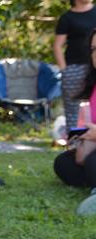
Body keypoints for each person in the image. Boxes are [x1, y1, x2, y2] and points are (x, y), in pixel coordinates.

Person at [54, 27, 96, 216]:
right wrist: (77, 136)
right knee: (63, 163)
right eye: (94, 49)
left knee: (93, 162)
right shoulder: (93, 86)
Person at [54, 0, 96, 136]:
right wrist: (64, 69)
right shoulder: (67, 18)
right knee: (72, 108)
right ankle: (74, 143)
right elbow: (57, 46)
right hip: (74, 68)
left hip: (94, 67)